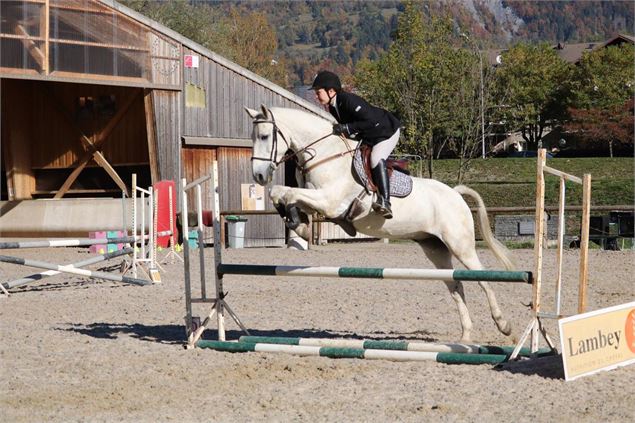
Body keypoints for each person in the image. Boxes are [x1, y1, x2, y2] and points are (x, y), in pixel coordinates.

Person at [309, 70, 401, 219]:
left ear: (331, 91)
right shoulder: (333, 106)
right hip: (369, 134)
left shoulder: (348, 100)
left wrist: (347, 128)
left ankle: (385, 201)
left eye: (318, 92)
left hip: (386, 130)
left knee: (376, 158)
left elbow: (370, 121)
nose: (316, 96)